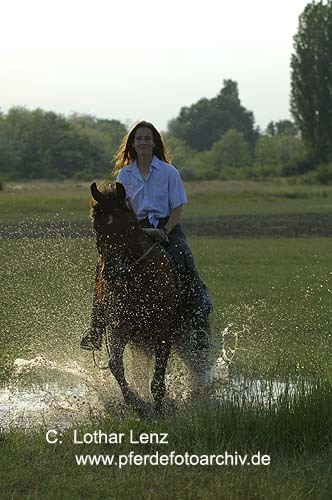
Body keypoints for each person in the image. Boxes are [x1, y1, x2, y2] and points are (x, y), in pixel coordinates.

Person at [80, 121, 212, 351]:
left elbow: (178, 209)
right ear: (132, 143)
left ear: (154, 142)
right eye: (138, 138)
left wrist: (165, 231)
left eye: (147, 138)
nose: (142, 142)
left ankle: (199, 325)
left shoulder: (169, 172)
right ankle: (96, 328)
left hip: (167, 227)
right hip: (135, 229)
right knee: (103, 267)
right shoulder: (125, 174)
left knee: (186, 259)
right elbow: (123, 209)